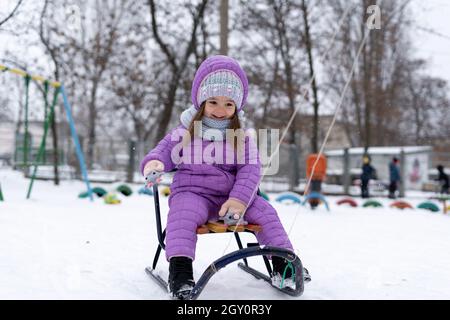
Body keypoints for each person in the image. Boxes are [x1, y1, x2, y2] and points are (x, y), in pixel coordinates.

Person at [140, 55, 302, 298]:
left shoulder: (242, 137)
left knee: (266, 212)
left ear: (237, 107)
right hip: (193, 193)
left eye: (228, 104)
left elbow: (250, 170)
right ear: (201, 102)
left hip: (233, 197)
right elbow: (164, 151)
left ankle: (284, 266)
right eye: (213, 101)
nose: (220, 110)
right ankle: (181, 272)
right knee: (182, 216)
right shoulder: (186, 131)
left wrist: (239, 199)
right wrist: (154, 163)